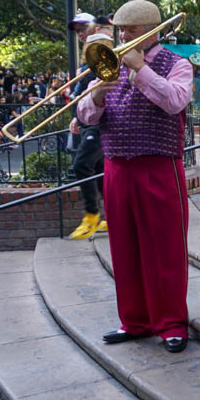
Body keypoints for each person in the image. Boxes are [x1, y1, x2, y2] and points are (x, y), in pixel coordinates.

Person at [76, 0, 193, 354]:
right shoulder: (106, 65)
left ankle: (171, 323)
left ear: (150, 31)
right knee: (123, 247)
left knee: (166, 248)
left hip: (158, 166)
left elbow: (176, 101)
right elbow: (83, 116)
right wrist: (95, 95)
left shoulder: (177, 64)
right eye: (120, 30)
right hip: (116, 166)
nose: (122, 36)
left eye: (130, 30)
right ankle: (135, 320)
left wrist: (141, 69)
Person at [67, 12, 110, 240]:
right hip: (88, 121)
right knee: (99, 171)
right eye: (77, 31)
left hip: (99, 124)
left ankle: (92, 216)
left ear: (96, 27)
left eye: (84, 28)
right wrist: (77, 116)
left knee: (81, 165)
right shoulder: (89, 58)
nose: (80, 33)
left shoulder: (105, 48)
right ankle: (111, 218)